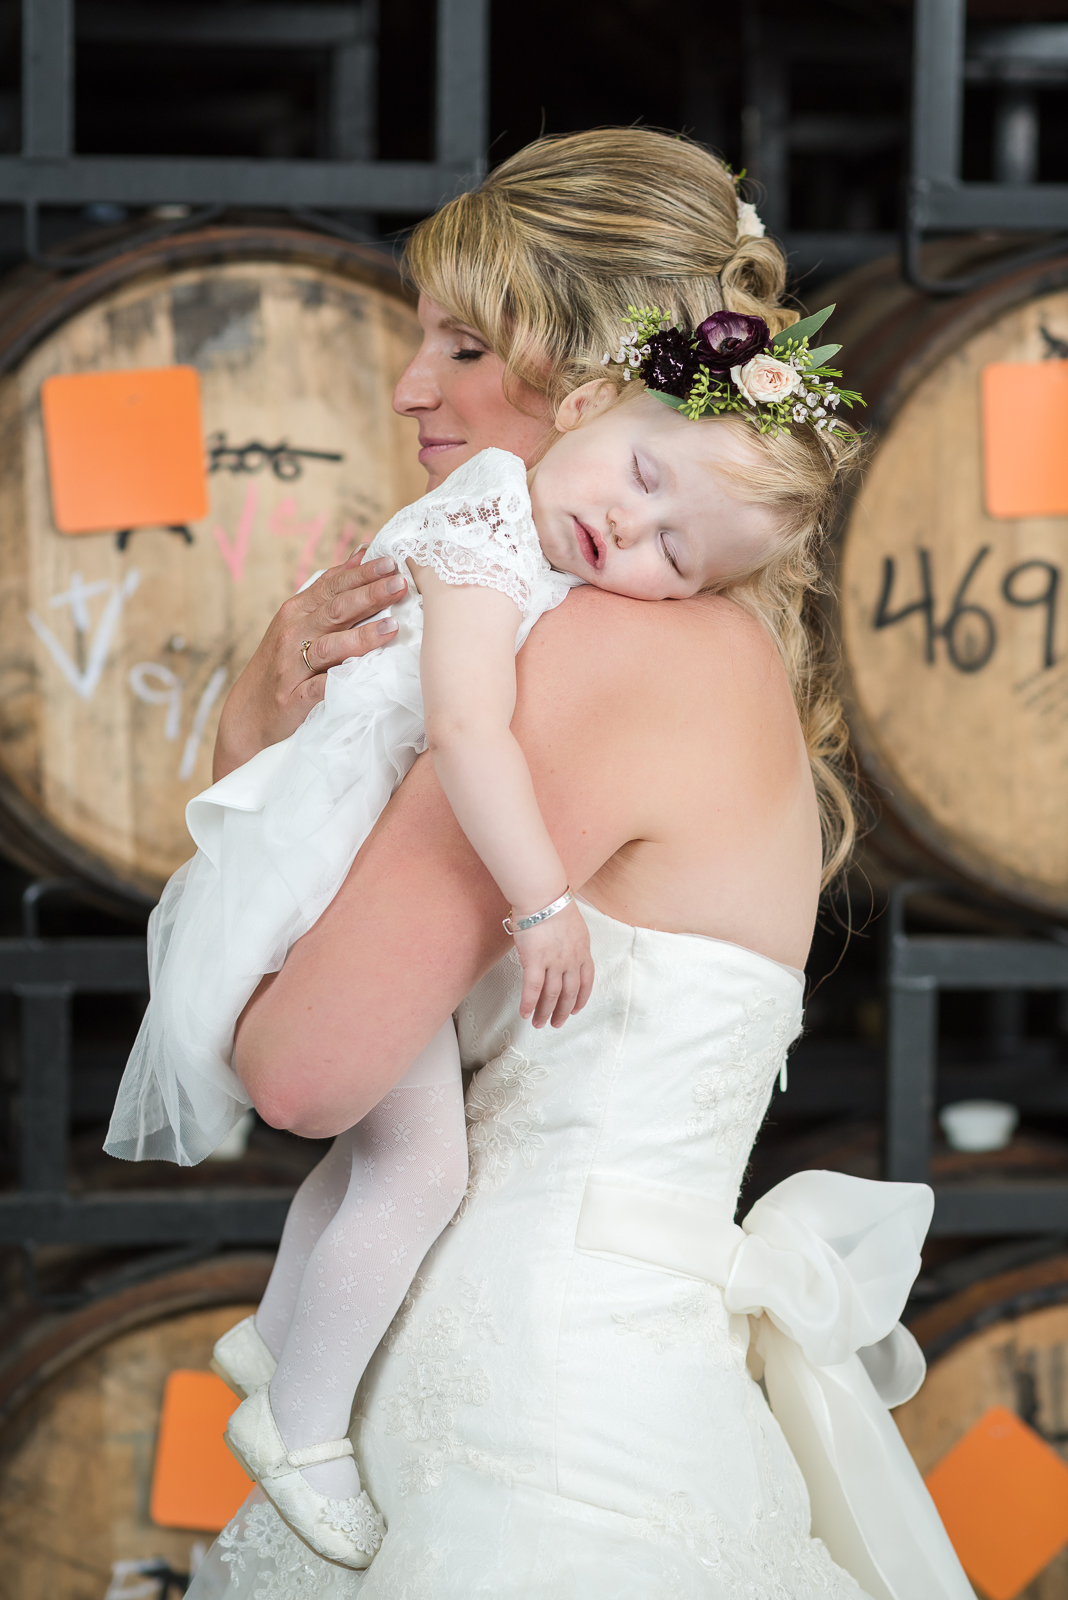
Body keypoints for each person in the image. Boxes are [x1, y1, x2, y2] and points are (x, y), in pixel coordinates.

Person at [183, 131, 972, 1599]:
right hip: (544, 1378)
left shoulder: (604, 654)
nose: (414, 383)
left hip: (533, 1422)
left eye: (465, 342)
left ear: (597, 375)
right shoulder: (668, 636)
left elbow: (298, 1076)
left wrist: (260, 750)